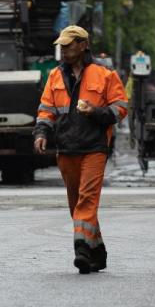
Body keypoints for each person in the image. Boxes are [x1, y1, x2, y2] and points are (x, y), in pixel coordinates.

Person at [33, 25, 128, 274]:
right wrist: (42, 133)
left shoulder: (105, 74)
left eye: (68, 45)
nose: (64, 50)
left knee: (87, 200)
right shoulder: (55, 75)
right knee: (77, 205)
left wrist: (96, 112)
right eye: (61, 46)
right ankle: (97, 251)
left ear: (83, 45)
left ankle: (82, 249)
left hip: (94, 147)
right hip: (66, 148)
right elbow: (46, 110)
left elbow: (120, 108)